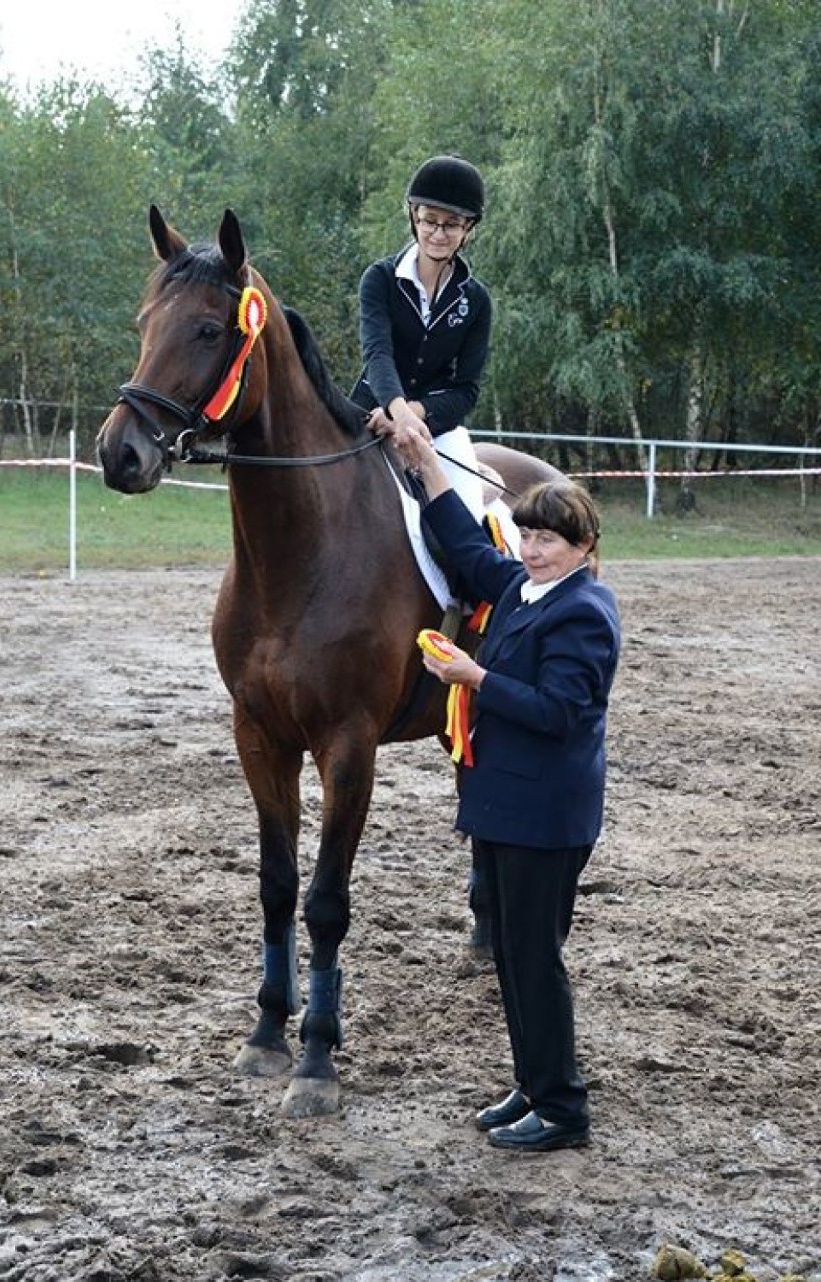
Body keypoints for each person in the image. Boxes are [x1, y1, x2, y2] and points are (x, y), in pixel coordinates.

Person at [396, 426, 622, 1154]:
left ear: (582, 547)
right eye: (525, 535)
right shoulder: (522, 590)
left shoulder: (583, 611)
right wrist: (428, 467)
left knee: (534, 959)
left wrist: (475, 678)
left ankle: (563, 1108)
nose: (531, 550)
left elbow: (560, 713)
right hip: (501, 806)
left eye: (547, 540)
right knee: (515, 960)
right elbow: (464, 547)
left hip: (546, 814)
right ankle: (532, 1085)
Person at [350, 154, 491, 522]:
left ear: (468, 229)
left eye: (452, 224)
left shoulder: (475, 301)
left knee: (467, 527)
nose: (439, 233)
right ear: (414, 217)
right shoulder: (380, 279)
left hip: (438, 431)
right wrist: (395, 410)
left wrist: (411, 416)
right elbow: (377, 354)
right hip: (368, 418)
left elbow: (467, 389)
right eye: (430, 221)